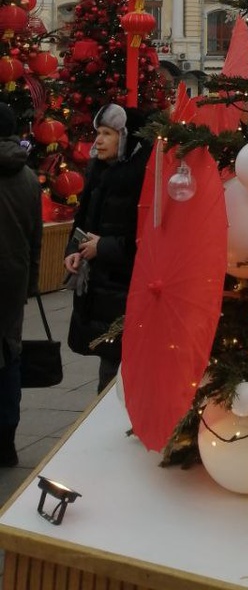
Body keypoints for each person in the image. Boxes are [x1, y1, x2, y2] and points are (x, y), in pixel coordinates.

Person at [63, 104, 151, 392]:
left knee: (119, 368)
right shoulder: (99, 170)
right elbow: (83, 219)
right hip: (100, 286)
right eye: (97, 132)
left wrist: (106, 247)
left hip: (126, 288)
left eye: (107, 133)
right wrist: (74, 250)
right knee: (109, 360)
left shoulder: (142, 177)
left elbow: (147, 239)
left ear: (126, 138)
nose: (98, 140)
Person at [0, 102, 43, 467]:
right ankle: (6, 441)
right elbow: (36, 236)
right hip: (12, 280)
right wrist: (30, 281)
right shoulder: (28, 177)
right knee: (9, 356)